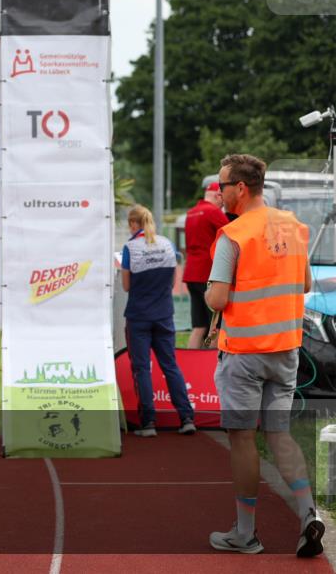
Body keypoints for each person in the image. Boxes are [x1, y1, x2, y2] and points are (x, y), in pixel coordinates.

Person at [205, 154, 323, 557]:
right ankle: (309, 513)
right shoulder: (293, 226)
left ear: (240, 188)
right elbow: (305, 282)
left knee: (241, 438)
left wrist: (208, 294)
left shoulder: (233, 234)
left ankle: (245, 533)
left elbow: (218, 297)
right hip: (286, 350)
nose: (218, 193)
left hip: (243, 353)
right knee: (279, 434)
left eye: (222, 185)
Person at [121, 204, 196, 437]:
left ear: (134, 224)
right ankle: (186, 418)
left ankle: (149, 423)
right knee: (170, 365)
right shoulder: (167, 245)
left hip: (138, 316)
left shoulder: (129, 248)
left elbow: (126, 286)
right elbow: (173, 283)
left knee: (142, 369)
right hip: (164, 314)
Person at [183, 182, 229, 348]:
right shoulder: (212, 212)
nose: (223, 204)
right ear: (218, 196)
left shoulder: (191, 213)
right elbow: (233, 233)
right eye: (222, 199)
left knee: (199, 326)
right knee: (215, 326)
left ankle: (190, 364)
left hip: (190, 274)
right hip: (207, 274)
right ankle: (211, 366)